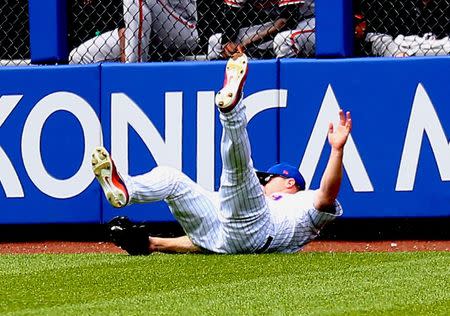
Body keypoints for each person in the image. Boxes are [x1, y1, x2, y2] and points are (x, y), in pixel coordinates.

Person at [92, 53, 351, 255]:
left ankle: (232, 111)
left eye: (269, 178)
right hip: (221, 236)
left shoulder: (302, 203)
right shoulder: (254, 202)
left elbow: (328, 194)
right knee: (171, 179)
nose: (263, 182)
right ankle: (128, 189)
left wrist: (336, 150)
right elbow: (206, 242)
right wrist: (151, 243)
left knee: (240, 172)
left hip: (260, 231)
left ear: (289, 182)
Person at [207, 0, 315, 59]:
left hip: (314, 21)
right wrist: (227, 43)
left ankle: (291, 84)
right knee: (215, 41)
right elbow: (232, 15)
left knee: (283, 40)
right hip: (278, 24)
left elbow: (285, 22)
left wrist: (245, 44)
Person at [361, 0, 450, 57]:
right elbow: (376, 37)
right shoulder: (390, 5)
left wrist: (410, 52)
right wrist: (396, 53)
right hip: (399, 62)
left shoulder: (445, 5)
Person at [122, 0, 199, 62]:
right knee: (110, 47)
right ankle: (132, 59)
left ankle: (134, 69)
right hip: (148, 31)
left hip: (184, 27)